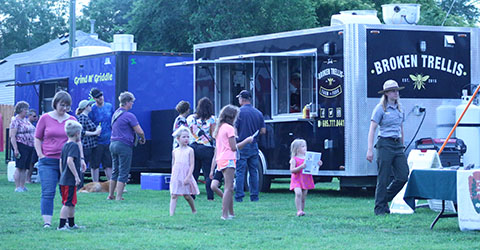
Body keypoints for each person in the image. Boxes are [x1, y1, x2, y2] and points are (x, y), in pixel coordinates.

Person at [35, 91, 84, 228]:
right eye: (62, 105)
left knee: (67, 193)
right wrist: (40, 155)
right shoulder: (45, 118)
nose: (64, 109)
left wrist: (81, 158)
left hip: (68, 162)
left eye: (67, 106)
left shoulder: (72, 120)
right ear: (55, 103)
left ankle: (67, 221)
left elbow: (78, 141)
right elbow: (37, 138)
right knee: (48, 191)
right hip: (48, 160)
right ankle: (47, 222)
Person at [366, 79, 409, 216]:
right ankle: (379, 209)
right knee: (383, 177)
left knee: (403, 176)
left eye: (397, 90)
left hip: (397, 145)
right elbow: (372, 129)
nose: (396, 93)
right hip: (384, 144)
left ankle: (383, 200)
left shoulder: (400, 108)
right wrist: (369, 150)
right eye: (392, 91)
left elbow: (401, 127)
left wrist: (402, 143)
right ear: (386, 94)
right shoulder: (380, 109)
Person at [212, 105, 253, 220]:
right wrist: (247, 141)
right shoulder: (230, 129)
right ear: (232, 117)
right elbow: (234, 147)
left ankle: (230, 213)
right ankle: (225, 214)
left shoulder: (219, 127)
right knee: (228, 188)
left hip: (220, 159)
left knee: (227, 188)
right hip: (229, 158)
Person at [108, 91, 145, 201]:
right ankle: (119, 196)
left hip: (112, 143)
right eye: (132, 102)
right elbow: (139, 131)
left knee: (115, 170)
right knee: (123, 171)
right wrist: (142, 138)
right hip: (123, 145)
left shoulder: (115, 114)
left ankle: (110, 195)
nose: (132, 104)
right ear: (127, 102)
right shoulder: (129, 115)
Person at [234, 90, 266, 202]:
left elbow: (234, 130)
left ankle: (239, 196)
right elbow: (263, 130)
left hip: (242, 145)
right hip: (254, 145)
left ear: (242, 99)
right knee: (253, 171)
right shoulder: (258, 113)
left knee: (240, 171)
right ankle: (254, 196)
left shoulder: (238, 112)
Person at [57, 120, 86, 230]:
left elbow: (61, 162)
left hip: (64, 179)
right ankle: (61, 225)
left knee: (72, 202)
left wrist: (62, 174)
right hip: (69, 180)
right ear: (77, 133)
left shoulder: (65, 145)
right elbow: (70, 161)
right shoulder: (74, 146)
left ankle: (72, 224)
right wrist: (76, 176)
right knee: (67, 203)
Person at [187, 97, 216, 200]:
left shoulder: (191, 118)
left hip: (193, 147)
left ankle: (191, 195)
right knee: (208, 173)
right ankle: (210, 196)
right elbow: (213, 135)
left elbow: (189, 132)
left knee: (193, 172)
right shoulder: (213, 119)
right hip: (207, 148)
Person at [169, 127, 199, 216]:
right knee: (174, 194)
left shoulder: (190, 150)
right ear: (178, 138)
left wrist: (188, 177)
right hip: (176, 175)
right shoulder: (175, 151)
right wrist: (173, 175)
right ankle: (171, 214)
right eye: (184, 137)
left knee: (186, 195)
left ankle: (193, 209)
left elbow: (192, 164)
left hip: (186, 174)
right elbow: (173, 164)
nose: (186, 139)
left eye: (187, 137)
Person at [289, 139, 322, 217]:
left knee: (303, 196)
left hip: (305, 179)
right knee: (298, 193)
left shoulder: (308, 158)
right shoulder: (294, 159)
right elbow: (292, 170)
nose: (305, 148)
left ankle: (302, 210)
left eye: (305, 146)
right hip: (297, 179)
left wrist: (318, 164)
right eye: (303, 146)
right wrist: (301, 167)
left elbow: (312, 167)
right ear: (297, 149)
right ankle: (299, 210)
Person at [88, 88, 114, 181]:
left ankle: (111, 184)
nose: (100, 98)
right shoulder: (92, 109)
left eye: (101, 96)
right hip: (97, 141)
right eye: (97, 97)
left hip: (108, 139)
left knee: (108, 163)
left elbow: (113, 121)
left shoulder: (109, 106)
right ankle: (95, 183)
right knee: (95, 164)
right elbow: (89, 123)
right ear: (94, 98)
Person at [10, 101, 35, 192]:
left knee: (25, 167)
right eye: (25, 109)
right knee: (19, 166)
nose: (27, 111)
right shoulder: (15, 120)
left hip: (29, 145)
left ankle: (22, 185)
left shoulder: (26, 120)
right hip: (21, 144)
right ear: (20, 110)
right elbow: (12, 136)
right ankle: (17, 187)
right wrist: (16, 149)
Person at [76, 100, 102, 184]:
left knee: (91, 165)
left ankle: (93, 183)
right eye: (89, 105)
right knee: (83, 165)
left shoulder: (86, 117)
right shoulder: (82, 118)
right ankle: (80, 183)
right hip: (86, 146)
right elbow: (81, 132)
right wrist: (95, 132)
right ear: (86, 107)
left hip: (91, 145)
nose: (91, 107)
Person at [26, 109, 38, 183]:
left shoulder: (33, 126)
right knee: (29, 162)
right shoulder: (26, 125)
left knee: (32, 162)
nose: (35, 118)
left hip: (33, 146)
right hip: (27, 146)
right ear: (29, 116)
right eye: (34, 116)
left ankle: (28, 178)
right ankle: (27, 179)